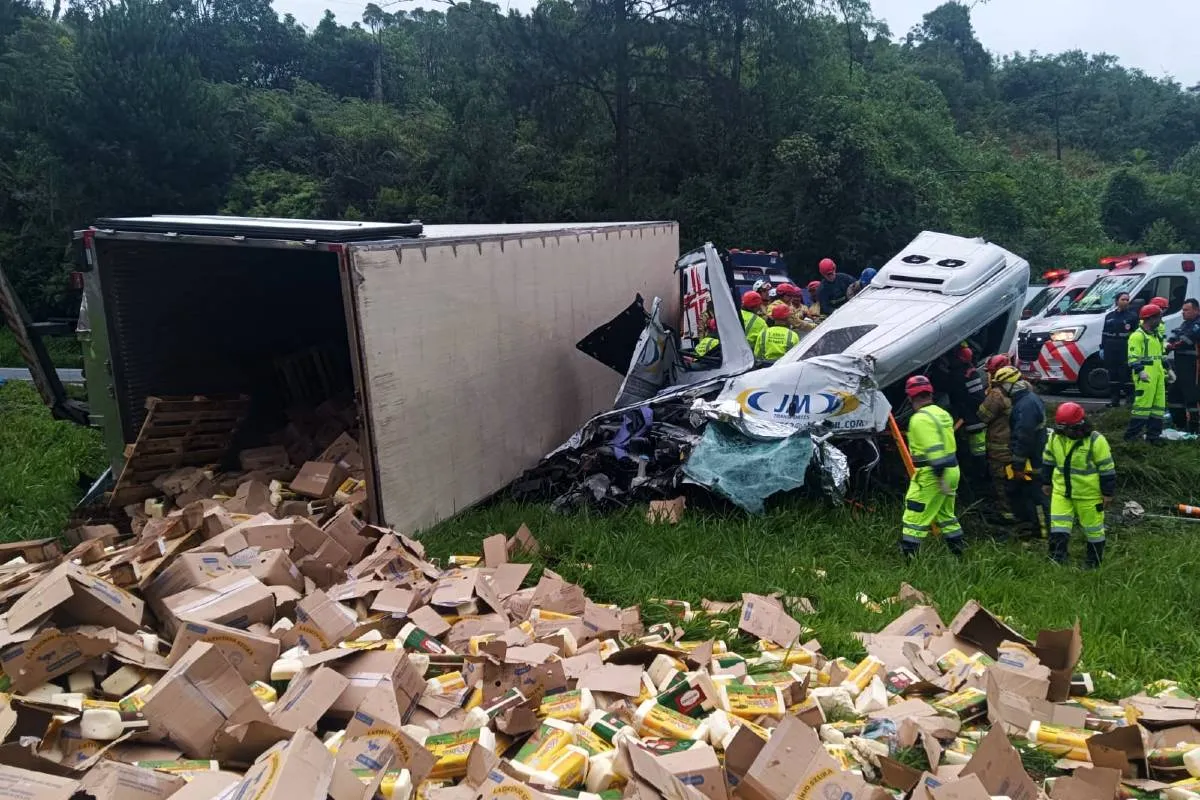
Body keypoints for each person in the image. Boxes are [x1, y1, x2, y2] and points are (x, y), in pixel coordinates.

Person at [1041, 402, 1116, 567]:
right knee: (1058, 526)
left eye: (1070, 429)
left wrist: (1107, 493)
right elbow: (1048, 459)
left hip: (1089, 495)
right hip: (1062, 492)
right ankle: (1057, 558)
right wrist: (1046, 481)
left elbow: (1107, 469)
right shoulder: (1055, 437)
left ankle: (1093, 562)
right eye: (1064, 429)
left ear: (1081, 426)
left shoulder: (1096, 441)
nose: (1066, 433)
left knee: (1094, 531)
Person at [900, 375, 965, 559]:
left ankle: (909, 558)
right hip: (953, 469)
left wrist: (939, 475)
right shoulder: (941, 413)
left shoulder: (919, 419)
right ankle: (958, 554)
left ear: (910, 397)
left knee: (914, 514)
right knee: (946, 515)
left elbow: (934, 449)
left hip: (933, 473)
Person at [998, 367, 1049, 538]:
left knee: (1037, 496)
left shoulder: (1025, 405)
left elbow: (1024, 436)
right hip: (1035, 457)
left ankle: (1043, 533)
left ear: (1008, 385)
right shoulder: (1029, 399)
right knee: (1029, 494)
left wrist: (1018, 465)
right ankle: (1037, 529)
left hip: (1032, 460)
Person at [977, 362, 1016, 526]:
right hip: (1016, 445)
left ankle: (1007, 516)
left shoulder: (996, 395)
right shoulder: (1024, 388)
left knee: (1000, 481)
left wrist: (986, 396)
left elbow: (982, 415)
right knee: (1015, 479)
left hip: (999, 447)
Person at [1125, 303, 1168, 445]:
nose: (1160, 321)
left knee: (1158, 406)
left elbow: (1160, 355)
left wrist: (1168, 369)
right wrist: (1140, 371)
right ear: (1150, 318)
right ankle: (1131, 437)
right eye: (1158, 318)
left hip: (1158, 374)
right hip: (1145, 375)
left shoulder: (1155, 335)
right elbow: (1133, 357)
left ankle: (1153, 437)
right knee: (1142, 407)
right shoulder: (1138, 336)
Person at [1166, 298, 1200, 433]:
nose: (1183, 313)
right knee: (1174, 395)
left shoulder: (1197, 324)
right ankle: (1179, 425)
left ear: (1196, 310)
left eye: (1186, 310)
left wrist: (1171, 345)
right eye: (1183, 310)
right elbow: (1175, 334)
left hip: (1193, 367)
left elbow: (1186, 339)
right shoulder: (1186, 324)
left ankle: (1194, 428)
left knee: (1192, 397)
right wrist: (1169, 342)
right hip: (1180, 366)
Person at [1102, 292, 1137, 407]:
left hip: (1124, 348)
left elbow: (1136, 335)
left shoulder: (1132, 316)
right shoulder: (1109, 316)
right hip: (1110, 348)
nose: (1125, 302)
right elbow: (1104, 333)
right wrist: (1102, 347)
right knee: (1112, 375)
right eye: (1123, 299)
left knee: (1125, 375)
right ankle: (1114, 400)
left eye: (1127, 300)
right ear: (1117, 301)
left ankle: (1129, 399)